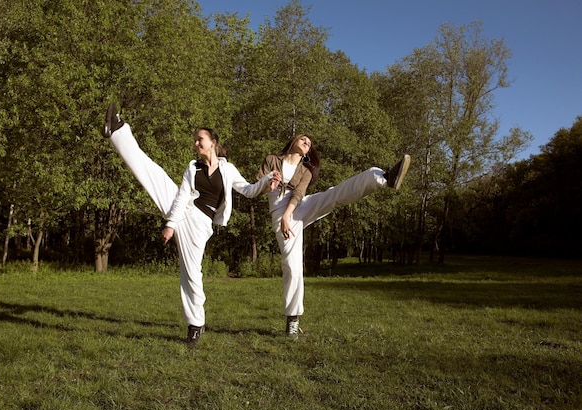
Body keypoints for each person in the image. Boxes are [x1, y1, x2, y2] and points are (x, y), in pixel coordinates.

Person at [102, 103, 280, 346]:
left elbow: (249, 190)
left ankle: (196, 324)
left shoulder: (227, 169)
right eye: (196, 140)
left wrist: (269, 180)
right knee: (154, 174)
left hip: (199, 225)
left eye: (200, 139)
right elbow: (182, 196)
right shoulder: (192, 167)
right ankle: (118, 130)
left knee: (192, 274)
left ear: (213, 142)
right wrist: (171, 224)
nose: (196, 143)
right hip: (183, 211)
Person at [257, 134, 410, 340]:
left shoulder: (305, 171)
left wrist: (287, 215)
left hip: (295, 208)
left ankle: (383, 177)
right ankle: (292, 319)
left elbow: (298, 194)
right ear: (293, 141)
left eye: (309, 143)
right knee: (292, 266)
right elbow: (258, 186)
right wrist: (270, 183)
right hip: (278, 210)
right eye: (303, 139)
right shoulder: (272, 160)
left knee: (333, 195)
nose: (307, 143)